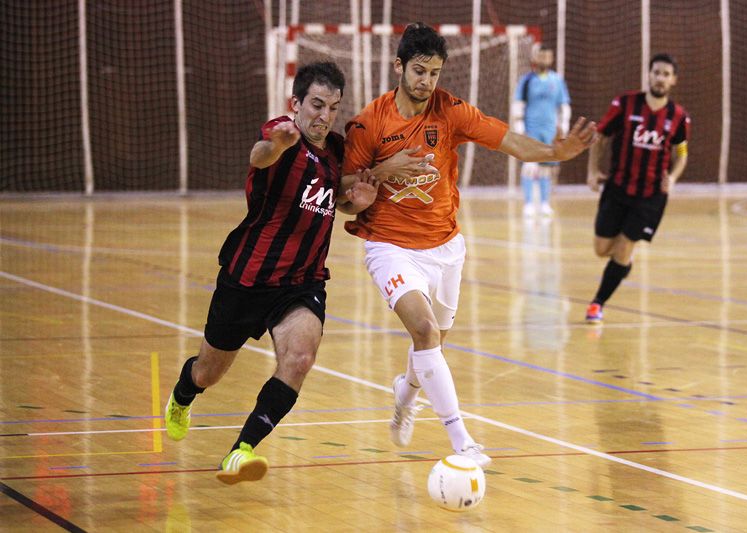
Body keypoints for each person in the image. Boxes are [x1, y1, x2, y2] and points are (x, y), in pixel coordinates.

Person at [163, 61, 432, 485]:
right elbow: (260, 155)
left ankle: (241, 451)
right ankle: (183, 394)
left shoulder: (338, 150)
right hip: (248, 277)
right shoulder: (282, 134)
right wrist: (276, 142)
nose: (324, 116)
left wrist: (362, 196)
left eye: (333, 108)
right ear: (297, 104)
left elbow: (336, 199)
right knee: (208, 372)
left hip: (303, 282)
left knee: (300, 358)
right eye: (317, 105)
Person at [343, 22, 596, 467]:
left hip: (445, 246)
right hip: (390, 245)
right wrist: (386, 170)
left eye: (435, 73)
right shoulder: (369, 122)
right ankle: (463, 441)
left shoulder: (450, 111)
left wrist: (556, 154)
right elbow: (344, 192)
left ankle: (405, 393)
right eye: (419, 71)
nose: (427, 82)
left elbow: (506, 139)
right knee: (423, 331)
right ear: (399, 66)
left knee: (434, 340)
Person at [584, 53, 690, 324]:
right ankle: (623, 266)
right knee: (601, 249)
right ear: (649, 75)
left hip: (651, 196)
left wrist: (674, 177)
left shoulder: (678, 117)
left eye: (666, 74)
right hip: (618, 188)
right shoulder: (626, 104)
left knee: (623, 248)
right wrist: (593, 171)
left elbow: (682, 154)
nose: (660, 78)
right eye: (656, 72)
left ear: (674, 80)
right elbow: (601, 137)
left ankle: (597, 304)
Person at [512, 43, 571, 217]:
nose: (544, 59)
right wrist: (520, 127)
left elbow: (564, 105)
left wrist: (564, 126)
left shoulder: (557, 80)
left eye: (547, 56)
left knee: (548, 168)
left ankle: (545, 203)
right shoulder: (527, 80)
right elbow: (518, 105)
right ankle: (529, 203)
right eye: (541, 56)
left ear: (551, 58)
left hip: (550, 132)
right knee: (530, 167)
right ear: (534, 58)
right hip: (531, 131)